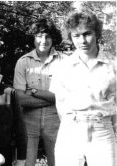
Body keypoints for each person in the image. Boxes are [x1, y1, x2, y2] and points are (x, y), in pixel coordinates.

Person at [49, 11, 116, 166]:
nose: (82, 40)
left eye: (87, 34)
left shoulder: (113, 65)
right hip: (70, 129)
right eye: (76, 35)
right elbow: (60, 103)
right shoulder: (63, 66)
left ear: (97, 33)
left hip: (102, 131)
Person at [13, 18, 64, 166]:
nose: (44, 40)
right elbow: (21, 99)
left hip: (56, 120)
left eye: (47, 36)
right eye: (39, 36)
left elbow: (67, 96)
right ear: (33, 38)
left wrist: (33, 92)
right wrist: (54, 97)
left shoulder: (64, 61)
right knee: (26, 163)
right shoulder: (23, 62)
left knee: (59, 162)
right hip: (28, 121)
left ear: (53, 38)